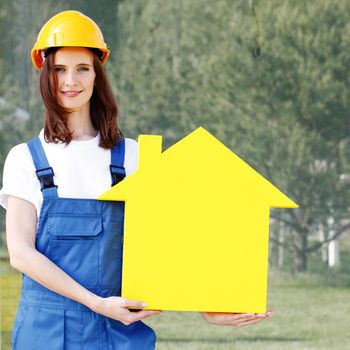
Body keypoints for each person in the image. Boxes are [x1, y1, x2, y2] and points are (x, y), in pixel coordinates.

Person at [0, 10, 272, 350]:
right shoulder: (25, 158)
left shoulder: (134, 157)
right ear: (44, 74)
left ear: (97, 76)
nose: (70, 80)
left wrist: (207, 305)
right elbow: (22, 254)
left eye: (82, 69)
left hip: (120, 332)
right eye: (59, 69)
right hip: (46, 330)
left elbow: (170, 242)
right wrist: (96, 303)